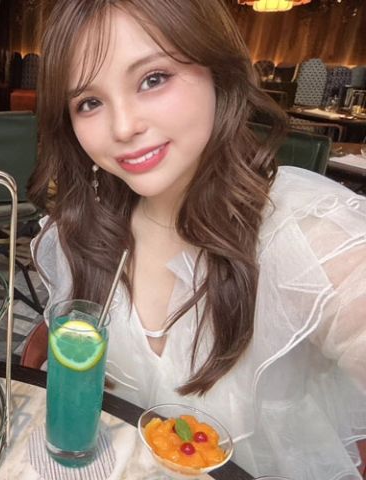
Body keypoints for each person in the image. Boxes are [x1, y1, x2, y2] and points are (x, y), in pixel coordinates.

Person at [28, 1, 366, 478]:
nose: (123, 127)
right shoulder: (77, 234)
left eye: (153, 79)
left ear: (218, 73)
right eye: (89, 102)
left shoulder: (309, 233)